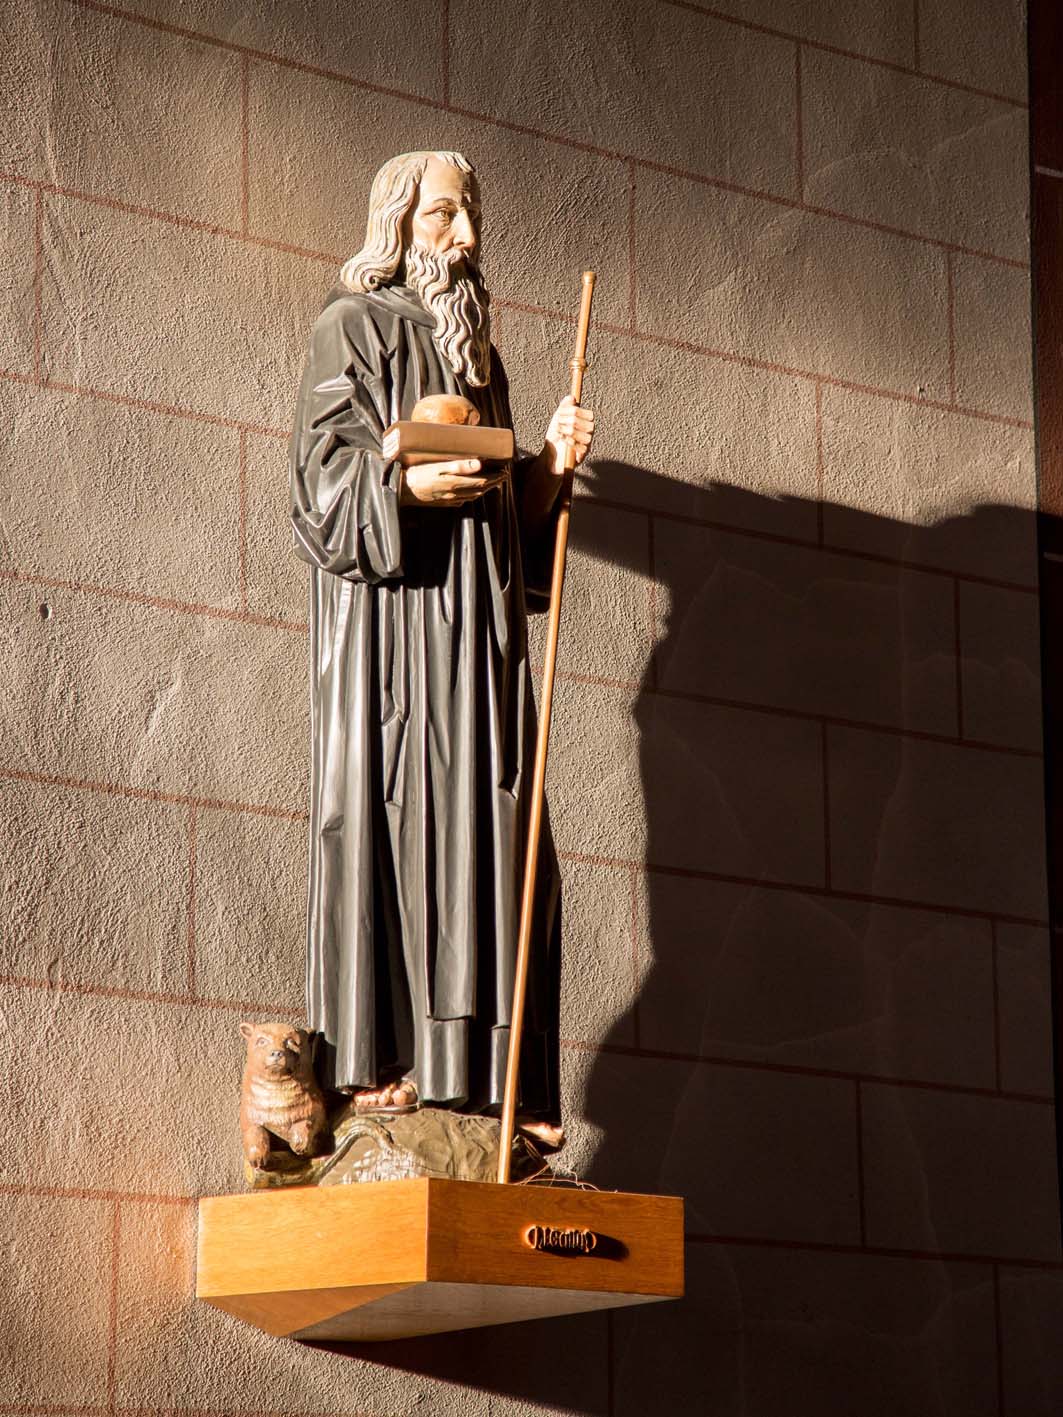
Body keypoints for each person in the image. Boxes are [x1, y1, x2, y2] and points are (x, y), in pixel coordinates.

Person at [289, 150, 595, 1144]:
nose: (464, 239)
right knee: (393, 826)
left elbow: (511, 532)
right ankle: (383, 1063)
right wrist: (404, 489)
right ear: (398, 225)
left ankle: (493, 1082)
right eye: (443, 218)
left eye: (470, 220)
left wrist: (548, 469)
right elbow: (317, 485)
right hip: (395, 640)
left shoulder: (478, 358)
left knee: (501, 836)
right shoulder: (352, 325)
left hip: (480, 647)